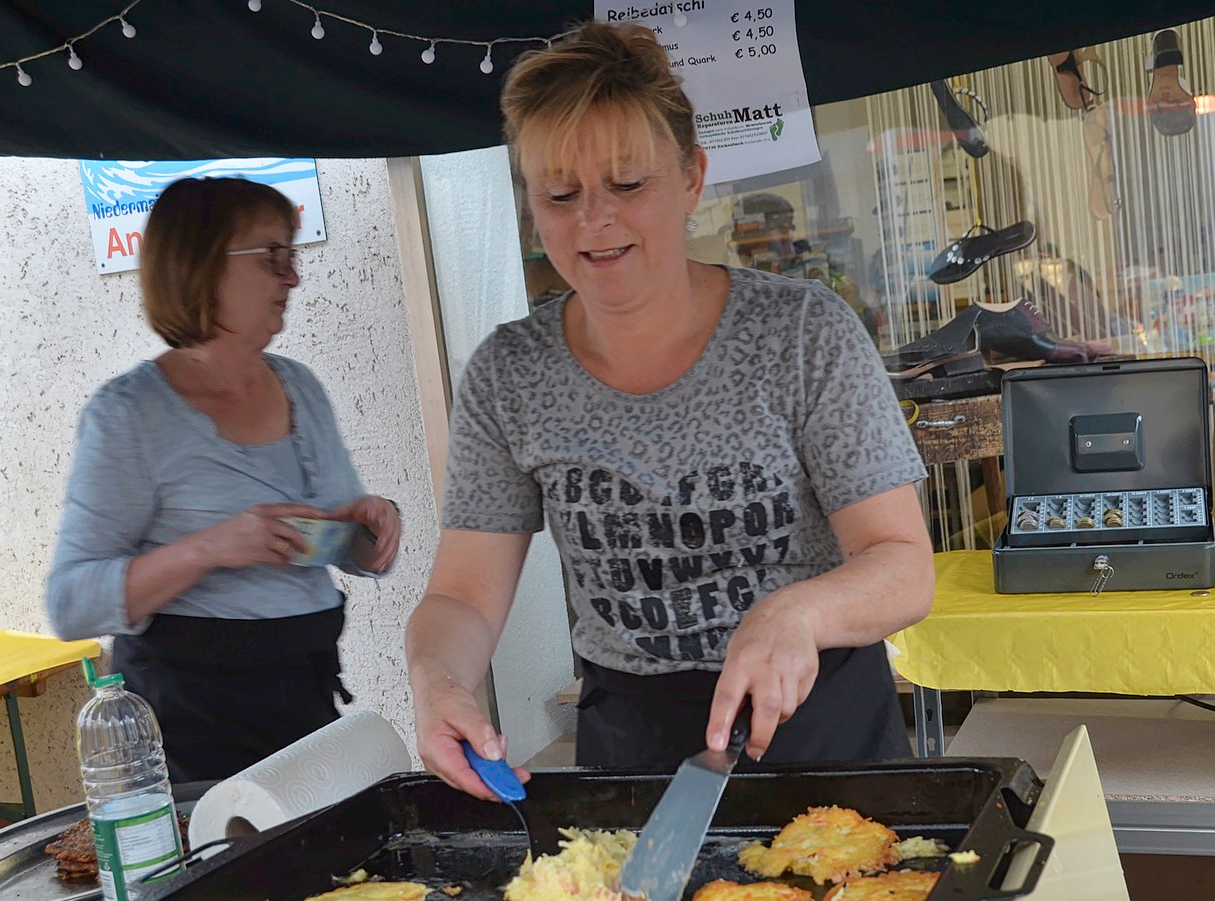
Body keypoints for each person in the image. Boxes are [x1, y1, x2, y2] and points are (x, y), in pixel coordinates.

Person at [405, 22, 934, 802]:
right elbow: (460, 596)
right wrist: (434, 681)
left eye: (627, 185)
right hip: (632, 753)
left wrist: (797, 611)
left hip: (823, 734)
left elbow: (902, 564)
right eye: (560, 194)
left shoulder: (799, 332)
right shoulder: (508, 375)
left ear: (690, 177)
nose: (594, 220)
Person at [47, 177, 402, 782]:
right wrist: (212, 547)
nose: (293, 277)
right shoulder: (129, 413)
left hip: (304, 700)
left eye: (292, 256)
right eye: (273, 257)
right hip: (187, 727)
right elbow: (70, 604)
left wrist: (371, 527)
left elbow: (350, 551)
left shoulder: (301, 388)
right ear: (203, 265)